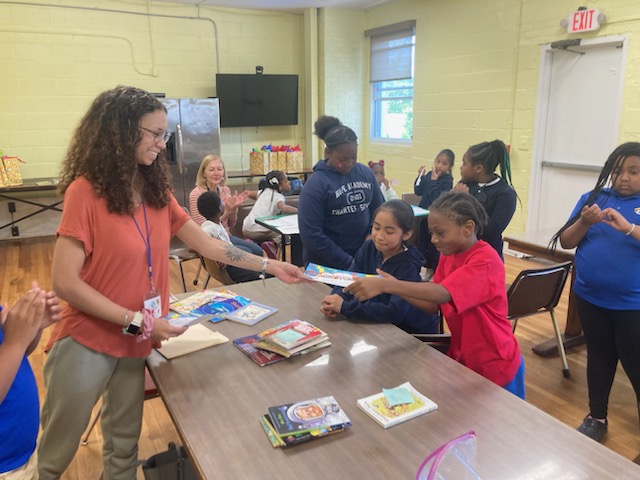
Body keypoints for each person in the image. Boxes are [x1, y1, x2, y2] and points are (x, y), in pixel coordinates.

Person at [37, 85, 306, 480]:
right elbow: (65, 282)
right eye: (155, 134)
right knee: (54, 459)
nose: (163, 145)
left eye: (166, 136)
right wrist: (140, 321)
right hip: (87, 340)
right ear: (121, 132)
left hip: (137, 337)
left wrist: (270, 267)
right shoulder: (85, 192)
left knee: (124, 448)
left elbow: (209, 245)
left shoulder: (156, 191)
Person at [344, 191, 525, 399]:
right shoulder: (449, 255)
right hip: (464, 357)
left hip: (496, 362)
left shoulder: (485, 260)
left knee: (498, 427)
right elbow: (434, 305)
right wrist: (393, 285)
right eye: (431, 232)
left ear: (467, 228)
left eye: (440, 233)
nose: (433, 239)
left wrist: (389, 286)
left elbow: (443, 293)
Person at [550, 142, 640, 443]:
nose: (624, 177)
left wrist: (629, 228)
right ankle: (597, 417)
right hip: (591, 298)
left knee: (635, 364)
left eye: (633, 171)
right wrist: (584, 222)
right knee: (599, 357)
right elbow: (566, 241)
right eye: (617, 171)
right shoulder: (593, 199)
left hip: (632, 305)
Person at [321, 200, 439, 334]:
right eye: (376, 228)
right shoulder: (368, 248)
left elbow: (394, 312)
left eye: (389, 232)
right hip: (378, 326)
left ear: (406, 234)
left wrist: (345, 307)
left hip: (412, 333)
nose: (379, 236)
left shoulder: (408, 265)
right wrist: (336, 298)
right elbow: (350, 278)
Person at [298, 115, 385, 270]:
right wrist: (348, 263)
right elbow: (311, 235)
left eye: (354, 158)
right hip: (326, 264)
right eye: (343, 159)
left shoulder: (365, 173)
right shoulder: (316, 184)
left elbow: (380, 210)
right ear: (327, 152)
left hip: (362, 257)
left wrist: (372, 234)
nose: (349, 164)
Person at [0, 283, 60, 479]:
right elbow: (13, 347)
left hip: (22, 456)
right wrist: (15, 342)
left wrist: (30, 330)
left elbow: (14, 356)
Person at [188, 154, 263, 257]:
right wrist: (226, 212)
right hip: (212, 241)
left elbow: (231, 225)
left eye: (219, 169)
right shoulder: (196, 195)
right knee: (248, 253)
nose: (216, 173)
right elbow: (203, 230)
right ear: (203, 173)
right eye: (211, 170)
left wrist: (234, 209)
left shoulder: (225, 190)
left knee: (258, 251)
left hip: (226, 236)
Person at [453, 140, 516, 259]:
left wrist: (467, 201)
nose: (461, 167)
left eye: (464, 163)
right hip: (460, 251)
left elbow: (492, 231)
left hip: (487, 257)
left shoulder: (505, 194)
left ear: (478, 168)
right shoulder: (465, 184)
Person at [196, 191, 264, 283]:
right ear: (220, 208)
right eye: (222, 202)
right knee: (262, 273)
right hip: (230, 267)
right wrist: (218, 258)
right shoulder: (208, 228)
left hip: (232, 261)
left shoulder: (214, 223)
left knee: (257, 262)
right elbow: (203, 243)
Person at [413, 149, 455, 273]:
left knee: (432, 245)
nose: (440, 166)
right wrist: (419, 177)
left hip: (435, 217)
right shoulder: (431, 174)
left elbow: (436, 198)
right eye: (438, 162)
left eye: (444, 164)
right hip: (423, 215)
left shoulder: (447, 180)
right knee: (421, 242)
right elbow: (418, 191)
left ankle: (432, 268)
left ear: (450, 167)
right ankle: (422, 266)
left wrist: (433, 181)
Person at [242, 170, 298, 244]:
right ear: (280, 186)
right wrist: (299, 210)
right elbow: (284, 208)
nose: (289, 182)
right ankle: (271, 244)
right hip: (258, 231)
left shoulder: (264, 191)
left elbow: (248, 193)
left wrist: (243, 196)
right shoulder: (278, 197)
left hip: (246, 228)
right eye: (286, 181)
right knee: (285, 234)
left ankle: (252, 241)